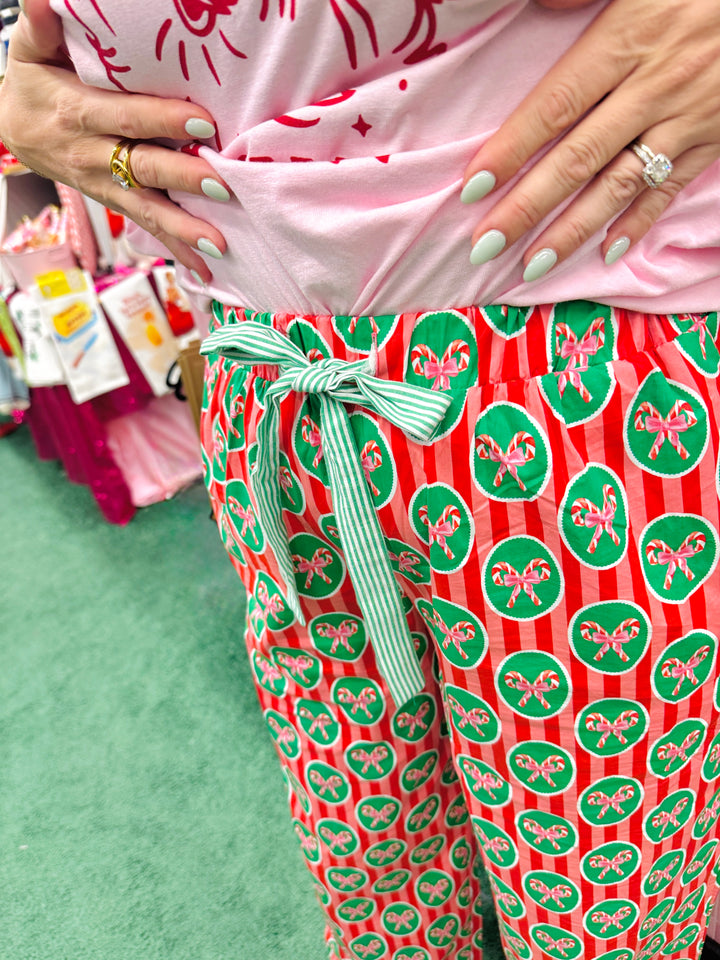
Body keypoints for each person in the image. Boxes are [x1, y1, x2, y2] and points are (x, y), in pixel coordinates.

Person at [2, 2, 719, 958]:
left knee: (599, 895)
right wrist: (20, 85)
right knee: (368, 851)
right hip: (265, 384)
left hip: (571, 385)